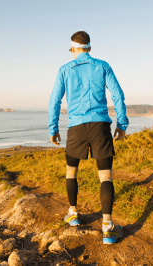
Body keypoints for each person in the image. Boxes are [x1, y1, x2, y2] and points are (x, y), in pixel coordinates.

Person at [48, 31, 129, 244]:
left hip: (76, 127)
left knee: (71, 171)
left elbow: (55, 101)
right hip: (100, 125)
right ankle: (108, 228)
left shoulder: (64, 69)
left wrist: (53, 128)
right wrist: (122, 123)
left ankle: (73, 214)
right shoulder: (103, 66)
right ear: (90, 49)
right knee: (106, 176)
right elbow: (117, 95)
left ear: (73, 49)